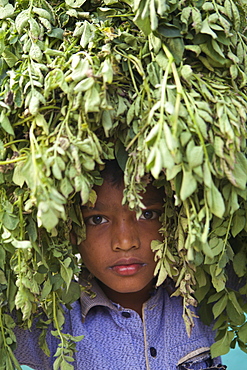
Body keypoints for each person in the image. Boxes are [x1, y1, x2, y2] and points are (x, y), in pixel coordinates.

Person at [13, 160, 227, 370]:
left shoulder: (209, 293)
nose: (125, 242)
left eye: (147, 214)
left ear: (175, 220)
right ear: (69, 230)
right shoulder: (48, 321)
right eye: (97, 220)